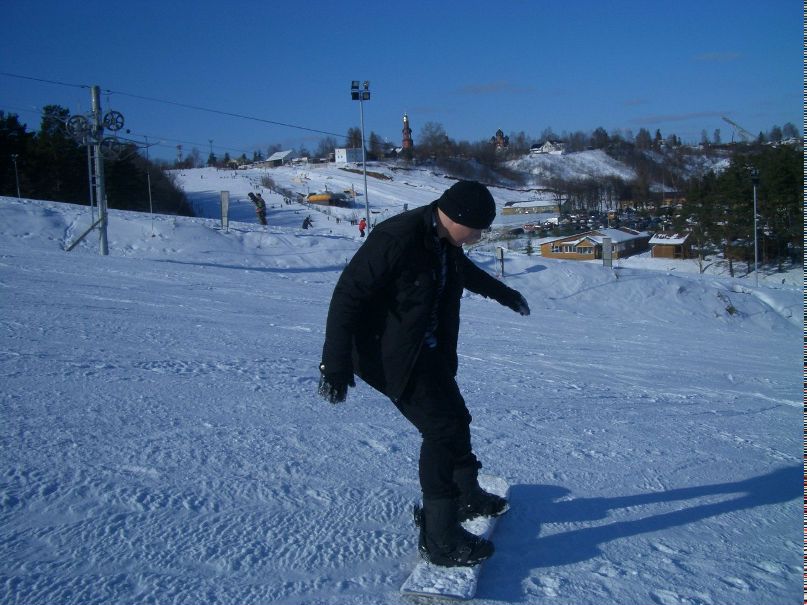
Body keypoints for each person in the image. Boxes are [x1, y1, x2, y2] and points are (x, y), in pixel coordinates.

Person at [318, 180, 530, 567]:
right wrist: (334, 364)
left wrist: (504, 294)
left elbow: (463, 271)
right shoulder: (397, 238)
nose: (480, 236)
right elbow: (348, 294)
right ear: (458, 218)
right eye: (478, 228)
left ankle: (467, 494)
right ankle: (440, 536)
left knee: (456, 418)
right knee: (441, 429)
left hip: (424, 349)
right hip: (387, 355)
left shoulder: (445, 241)